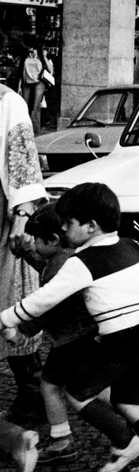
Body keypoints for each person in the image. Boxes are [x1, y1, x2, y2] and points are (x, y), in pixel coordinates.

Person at [0, 182, 139, 472]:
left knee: (77, 393)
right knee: (128, 403)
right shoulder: (131, 245)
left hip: (121, 339)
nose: (63, 229)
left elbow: (45, 299)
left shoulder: (81, 262)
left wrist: (7, 318)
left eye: (68, 223)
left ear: (90, 226)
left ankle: (125, 442)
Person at [14, 204, 95, 466]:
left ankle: (63, 441)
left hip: (71, 338)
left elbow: (50, 304)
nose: (33, 243)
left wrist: (25, 330)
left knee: (52, 386)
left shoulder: (60, 264)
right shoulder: (66, 257)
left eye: (36, 240)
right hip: (82, 336)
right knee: (96, 387)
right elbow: (46, 268)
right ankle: (138, 421)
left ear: (53, 240)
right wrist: (28, 253)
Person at [0, 77, 45, 427]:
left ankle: (32, 393)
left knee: (12, 301)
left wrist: (23, 215)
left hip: (3, 217)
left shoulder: (9, 103)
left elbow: (24, 164)